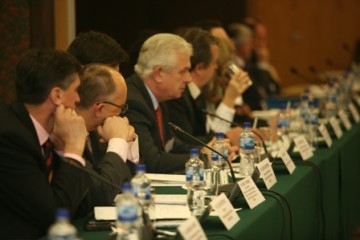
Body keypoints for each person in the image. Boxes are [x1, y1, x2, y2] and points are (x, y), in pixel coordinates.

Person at [0, 49, 90, 239]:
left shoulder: (38, 133)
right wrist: (73, 149)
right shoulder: (9, 138)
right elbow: (56, 215)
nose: (78, 99)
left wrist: (61, 149)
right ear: (56, 95)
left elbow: (81, 207)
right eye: (75, 90)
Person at [167, 27, 250, 146]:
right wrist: (230, 98)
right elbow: (188, 144)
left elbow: (208, 133)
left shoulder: (200, 92)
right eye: (214, 63)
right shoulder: (177, 96)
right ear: (200, 68)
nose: (216, 67)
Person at [75, 64, 139, 207]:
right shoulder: (67, 136)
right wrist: (118, 141)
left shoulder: (98, 129)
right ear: (100, 108)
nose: (122, 114)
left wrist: (124, 142)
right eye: (121, 107)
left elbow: (127, 182)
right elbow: (101, 194)